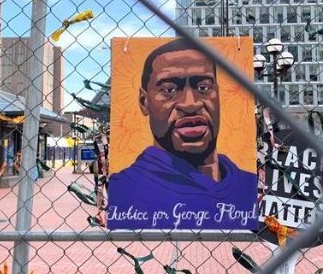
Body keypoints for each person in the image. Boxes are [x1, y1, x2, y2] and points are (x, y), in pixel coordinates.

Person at [108, 39, 258, 230]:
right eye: (169, 90)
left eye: (204, 88)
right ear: (144, 102)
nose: (190, 104)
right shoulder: (124, 190)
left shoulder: (248, 185)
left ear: (218, 95)